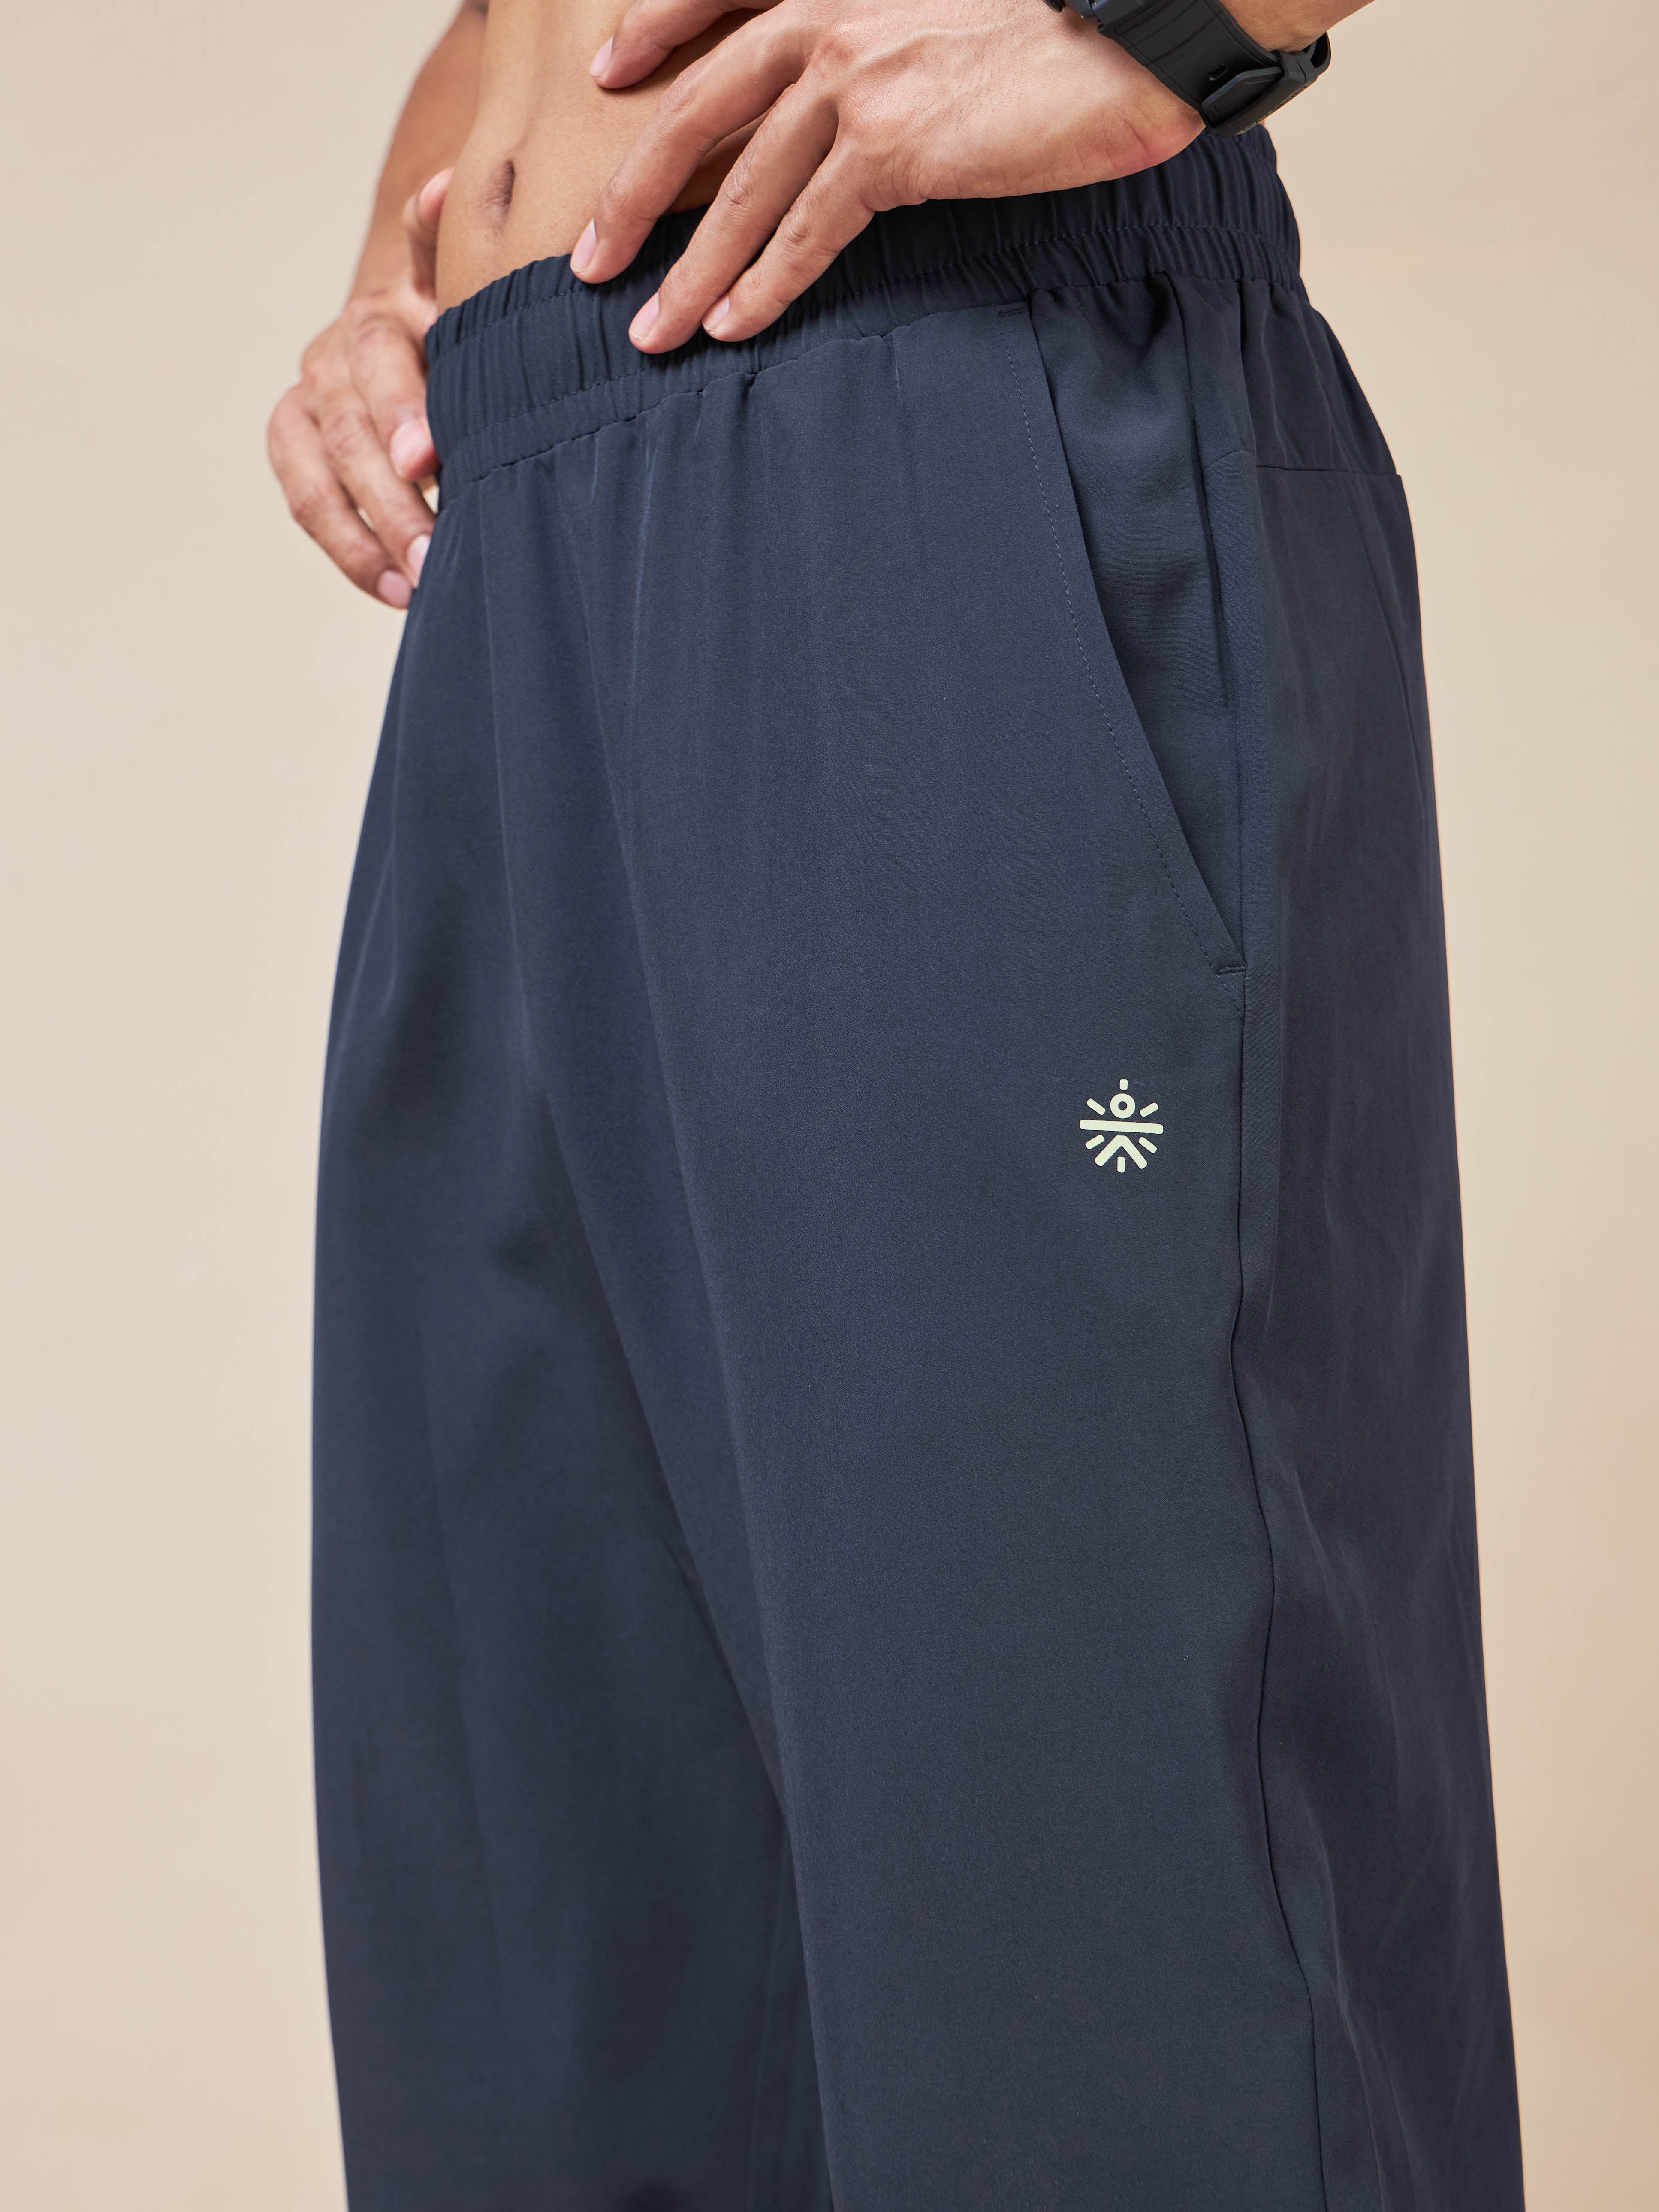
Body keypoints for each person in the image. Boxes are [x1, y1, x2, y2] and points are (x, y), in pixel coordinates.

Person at [269, 4, 1526, 2207]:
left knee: (1090, 1921)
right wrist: (413, 263)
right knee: (555, 1966)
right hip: (526, 538)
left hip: (946, 405)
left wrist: (1171, 25)